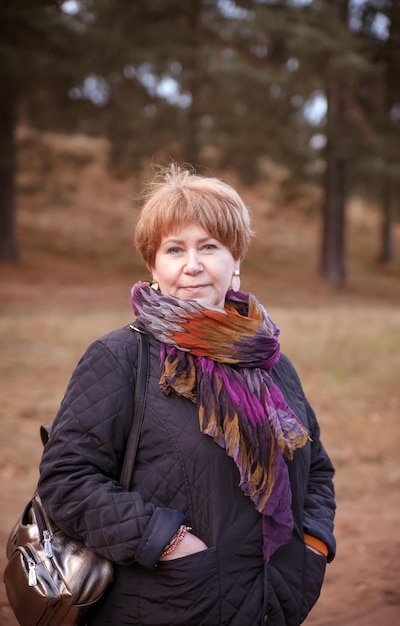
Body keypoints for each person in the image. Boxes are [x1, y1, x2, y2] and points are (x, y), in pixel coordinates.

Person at [38, 164, 336, 626]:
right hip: (167, 606)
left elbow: (315, 466)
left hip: (274, 606)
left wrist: (312, 546)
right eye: (174, 249)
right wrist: (167, 541)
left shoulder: (270, 361)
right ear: (154, 266)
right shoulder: (121, 357)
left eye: (209, 247)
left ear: (234, 260)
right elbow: (67, 479)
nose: (192, 265)